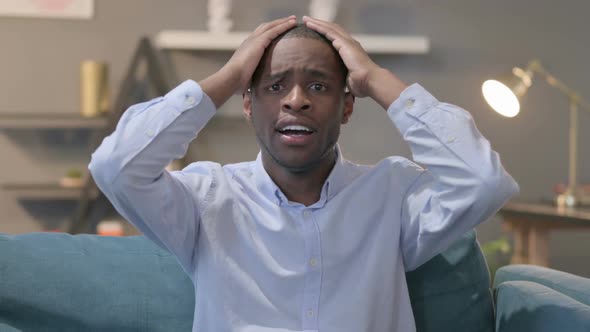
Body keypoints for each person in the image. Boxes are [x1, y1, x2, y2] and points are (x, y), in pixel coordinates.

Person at [90, 15, 519, 332]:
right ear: (247, 104)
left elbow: (483, 182)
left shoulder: (394, 195)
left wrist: (376, 79)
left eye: (318, 86)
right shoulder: (206, 199)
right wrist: (226, 77)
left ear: (348, 105)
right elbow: (116, 166)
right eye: (275, 86)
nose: (296, 100)